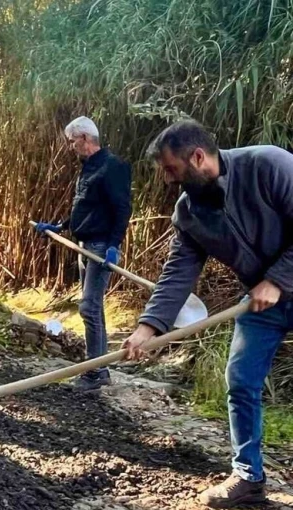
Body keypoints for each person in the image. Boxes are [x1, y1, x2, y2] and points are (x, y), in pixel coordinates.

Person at [121, 120, 293, 509]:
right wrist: (148, 328)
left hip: (276, 286)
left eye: (171, 169)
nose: (168, 180)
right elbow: (178, 271)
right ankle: (248, 477)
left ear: (198, 157)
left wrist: (278, 279)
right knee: (241, 380)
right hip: (259, 305)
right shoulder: (189, 213)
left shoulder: (269, 165)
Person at [33, 116, 132, 391]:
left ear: (85, 138)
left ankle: (94, 370)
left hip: (101, 248)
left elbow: (123, 208)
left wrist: (115, 244)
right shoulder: (88, 168)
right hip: (84, 245)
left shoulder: (113, 166)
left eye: (72, 141)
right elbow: (86, 207)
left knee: (88, 306)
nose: (71, 146)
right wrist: (62, 226)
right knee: (95, 308)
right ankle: (98, 369)